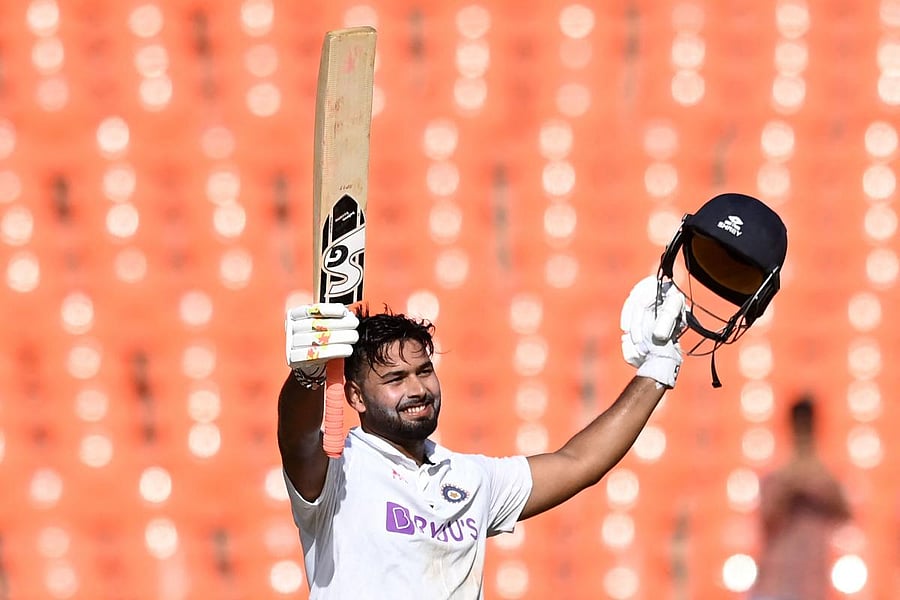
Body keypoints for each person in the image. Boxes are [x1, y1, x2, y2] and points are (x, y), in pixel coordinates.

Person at [277, 275, 685, 598]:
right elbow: (297, 438)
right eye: (396, 379)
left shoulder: (468, 478)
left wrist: (658, 367)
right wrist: (308, 375)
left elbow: (578, 462)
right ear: (355, 396)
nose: (418, 389)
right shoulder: (338, 469)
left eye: (424, 371)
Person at [750, 395, 852, 600]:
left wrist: (816, 490)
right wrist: (789, 490)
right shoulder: (778, 471)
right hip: (777, 578)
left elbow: (845, 512)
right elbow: (766, 520)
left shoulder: (825, 473)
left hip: (812, 579)